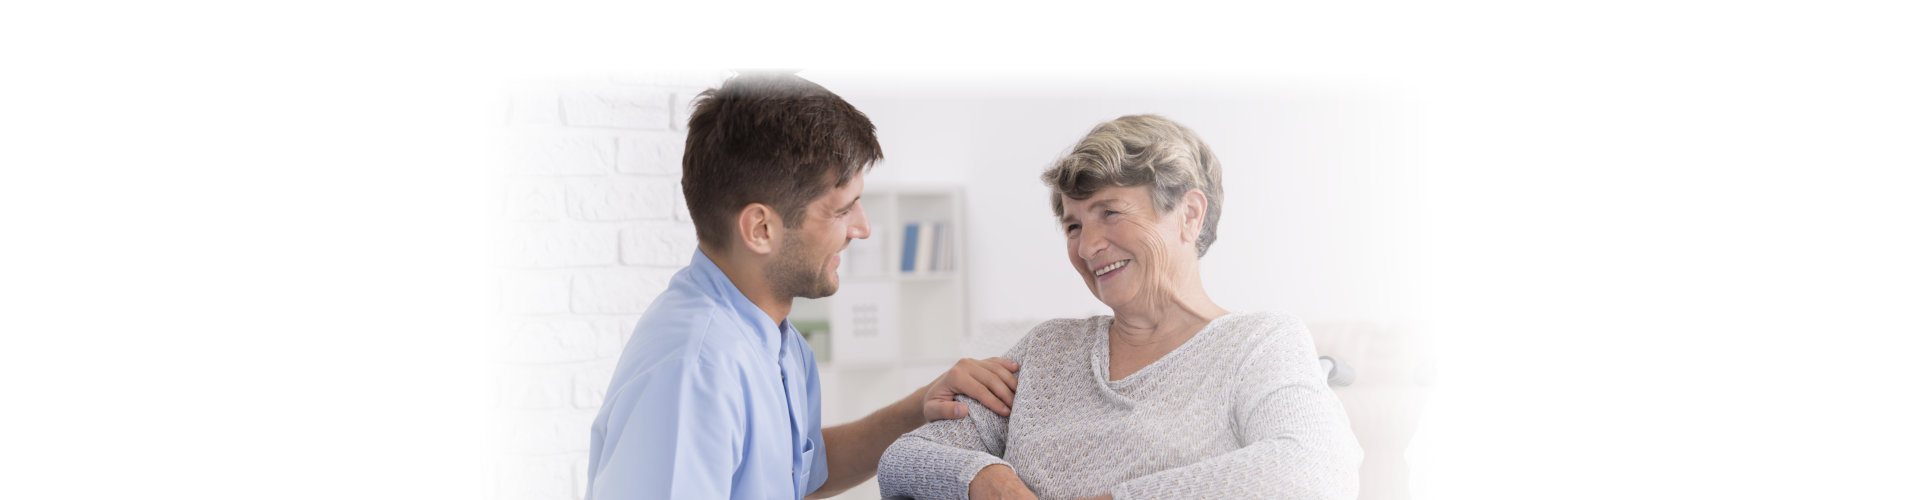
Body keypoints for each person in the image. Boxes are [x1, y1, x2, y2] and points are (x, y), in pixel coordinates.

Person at [877, 115, 1363, 500]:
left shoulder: (1260, 343)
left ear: (1189, 215)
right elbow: (906, 458)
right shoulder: (1049, 349)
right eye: (1072, 226)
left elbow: (1315, 470)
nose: (1088, 247)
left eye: (1109, 212)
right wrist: (988, 481)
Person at [586, 72, 1022, 500]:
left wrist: (918, 408)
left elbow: (799, 475)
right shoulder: (695, 369)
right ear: (760, 228)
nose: (863, 228)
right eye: (841, 211)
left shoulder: (775, 340)